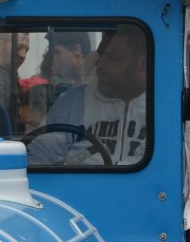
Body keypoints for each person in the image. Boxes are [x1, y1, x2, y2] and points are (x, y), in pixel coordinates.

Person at [30, 26, 150, 167]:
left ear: (143, 64)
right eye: (100, 55)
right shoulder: (72, 100)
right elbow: (40, 156)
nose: (99, 64)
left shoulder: (162, 107)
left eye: (112, 58)